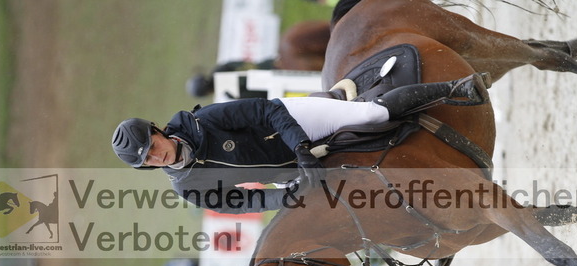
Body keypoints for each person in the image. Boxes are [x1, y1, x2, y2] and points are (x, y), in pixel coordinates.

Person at [112, 73, 490, 214]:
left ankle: (454, 87)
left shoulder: (203, 121)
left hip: (294, 125)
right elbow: (243, 202)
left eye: (152, 145)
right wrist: (285, 199)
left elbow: (267, 111)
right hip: (288, 174)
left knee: (371, 116)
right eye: (148, 160)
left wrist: (301, 148)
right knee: (340, 209)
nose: (156, 155)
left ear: (157, 130)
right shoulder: (188, 188)